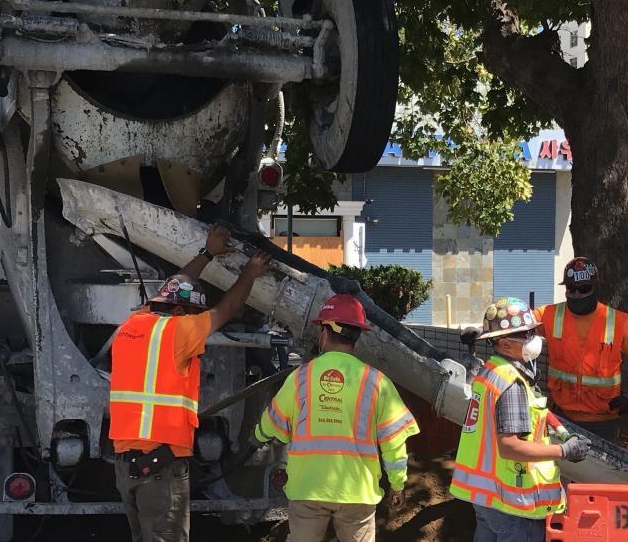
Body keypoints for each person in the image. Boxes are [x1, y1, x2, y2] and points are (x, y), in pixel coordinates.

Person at [109, 225, 273, 542]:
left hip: (125, 465)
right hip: (159, 467)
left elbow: (172, 287)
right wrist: (250, 274)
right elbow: (225, 309)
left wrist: (207, 253)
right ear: (182, 311)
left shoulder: (133, 324)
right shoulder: (178, 332)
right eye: (190, 313)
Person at [254, 294, 419, 542]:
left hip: (307, 488)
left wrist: (257, 436)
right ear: (357, 335)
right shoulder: (376, 382)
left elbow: (271, 424)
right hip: (357, 492)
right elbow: (394, 442)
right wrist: (397, 484)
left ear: (325, 331)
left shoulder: (300, 377)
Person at [450, 297, 591, 542]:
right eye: (526, 334)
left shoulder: (491, 372)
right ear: (505, 344)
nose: (533, 338)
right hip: (511, 502)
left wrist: (562, 430)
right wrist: (563, 450)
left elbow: (537, 411)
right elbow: (510, 446)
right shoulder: (511, 383)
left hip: (486, 498)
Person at [534, 257, 628, 442]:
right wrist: (481, 330)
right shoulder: (549, 315)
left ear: (594, 288)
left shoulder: (614, 321)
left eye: (582, 289)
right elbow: (519, 322)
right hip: (563, 416)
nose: (576, 294)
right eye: (571, 289)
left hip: (603, 421)